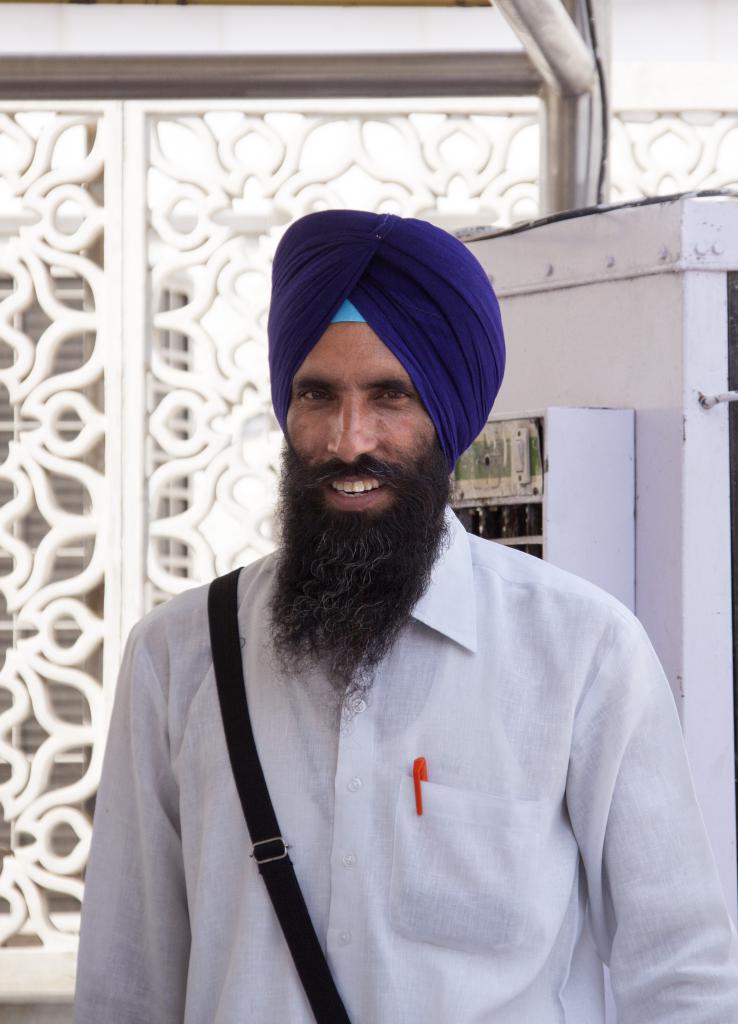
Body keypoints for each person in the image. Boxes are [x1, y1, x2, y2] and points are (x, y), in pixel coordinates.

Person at [75, 209, 738, 1023]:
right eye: (318, 394)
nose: (350, 439)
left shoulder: (581, 651)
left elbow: (683, 981)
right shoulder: (177, 657)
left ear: (449, 415)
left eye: (391, 394)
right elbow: (125, 989)